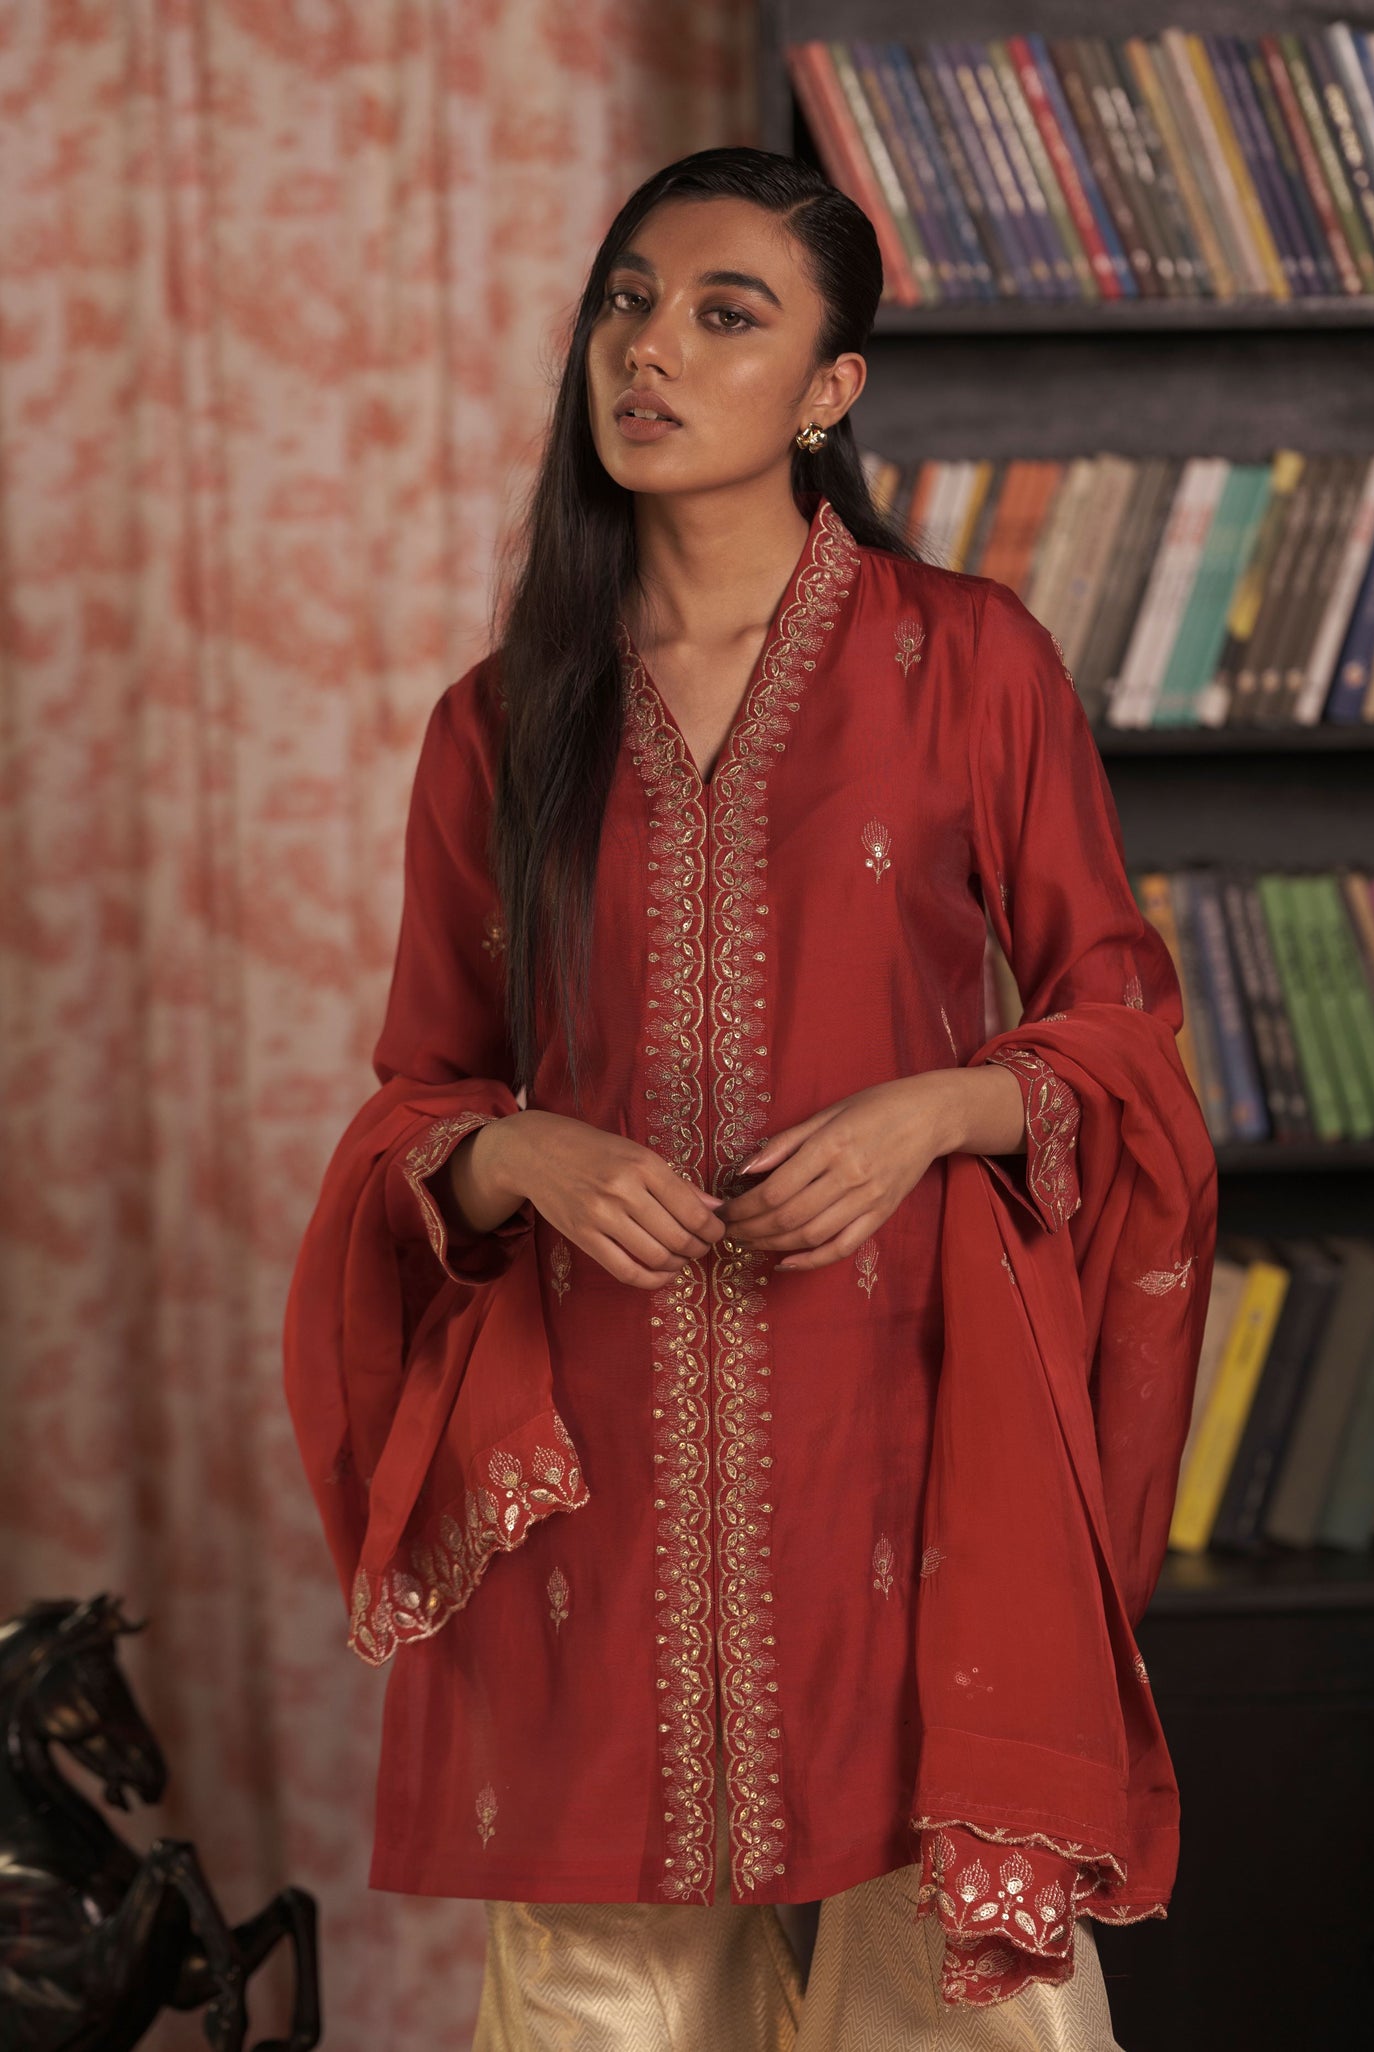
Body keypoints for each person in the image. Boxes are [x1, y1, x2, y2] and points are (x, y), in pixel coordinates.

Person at [282, 146, 1217, 2051]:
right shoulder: (505, 719)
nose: (651, 350)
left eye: (727, 316)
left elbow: (1121, 1027)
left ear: (826, 388)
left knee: (961, 2007)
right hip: (598, 1445)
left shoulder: (968, 665)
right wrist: (520, 1152)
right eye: (627, 303)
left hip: (909, 1425)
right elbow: (420, 1097)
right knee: (600, 2001)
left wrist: (933, 1112)